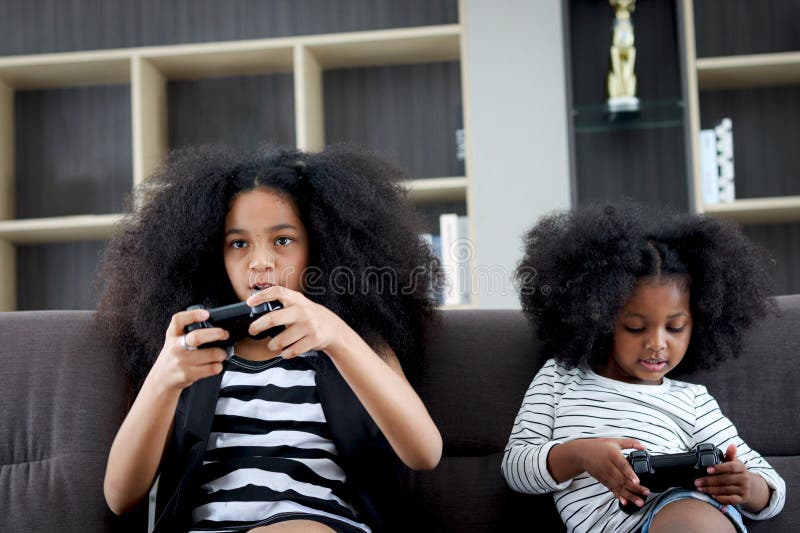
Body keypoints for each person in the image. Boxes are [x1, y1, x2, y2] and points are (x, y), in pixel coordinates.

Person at [96, 144, 443, 533]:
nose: (260, 261)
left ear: (320, 247)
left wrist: (337, 337)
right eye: (239, 244)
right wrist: (163, 377)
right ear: (214, 256)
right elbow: (120, 496)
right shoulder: (192, 358)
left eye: (282, 240)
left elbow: (424, 453)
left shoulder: (355, 344)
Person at [502, 202, 786, 533]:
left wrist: (748, 488)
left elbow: (770, 485)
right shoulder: (559, 378)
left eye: (675, 328)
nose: (657, 343)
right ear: (601, 319)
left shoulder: (692, 400)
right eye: (636, 328)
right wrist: (579, 455)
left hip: (677, 509)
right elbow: (516, 467)